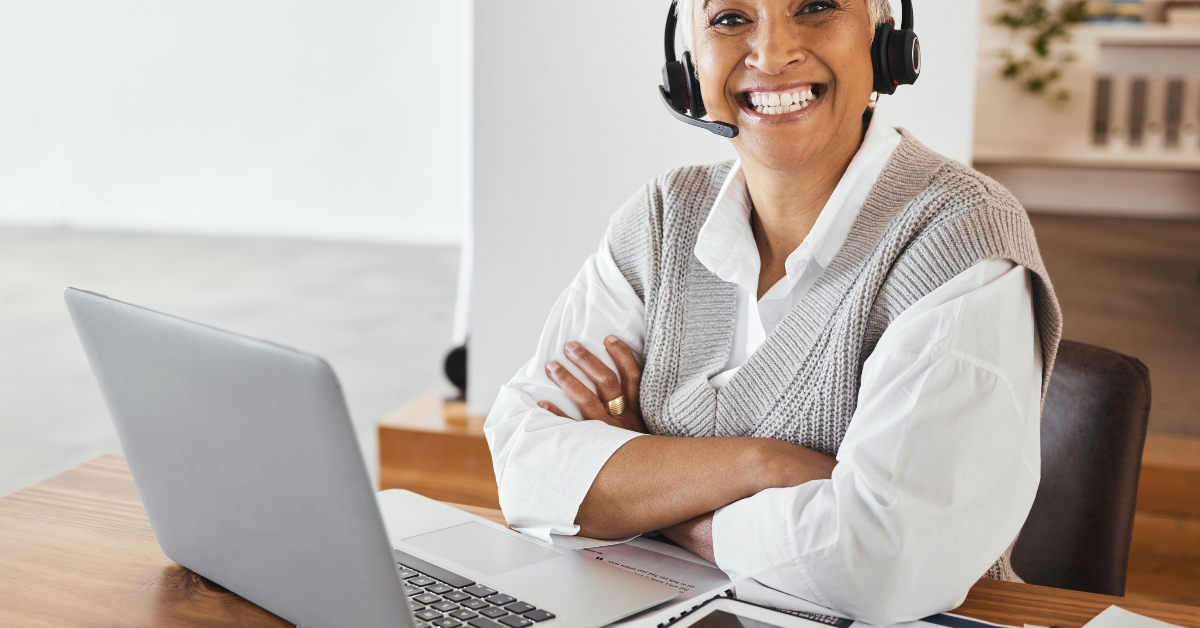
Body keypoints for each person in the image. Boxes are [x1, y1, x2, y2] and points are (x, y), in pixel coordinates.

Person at [484, 0, 1062, 624]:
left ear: (883, 38)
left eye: (815, 7)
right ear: (689, 64)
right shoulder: (661, 218)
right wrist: (765, 465)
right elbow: (524, 464)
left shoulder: (957, 238)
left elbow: (875, 565)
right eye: (730, 18)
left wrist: (644, 488)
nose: (771, 53)